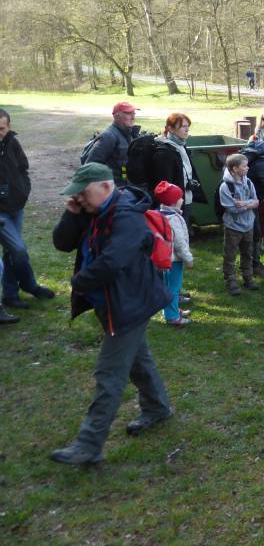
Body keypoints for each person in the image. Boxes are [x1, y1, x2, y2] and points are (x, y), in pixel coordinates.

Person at [50, 163, 173, 465]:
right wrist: (72, 213)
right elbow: (62, 243)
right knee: (138, 361)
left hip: (129, 304)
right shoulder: (93, 210)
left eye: (83, 192)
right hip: (113, 302)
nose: (79, 197)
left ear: (105, 186)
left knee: (109, 373)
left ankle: (89, 444)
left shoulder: (126, 216)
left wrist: (78, 282)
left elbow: (111, 262)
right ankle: (157, 407)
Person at [0, 109, 54, 310]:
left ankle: (10, 295)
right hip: (1, 212)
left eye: (1, 128)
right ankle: (29, 284)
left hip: (16, 208)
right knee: (19, 250)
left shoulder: (12, 142)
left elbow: (23, 168)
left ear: (9, 127)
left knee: (11, 252)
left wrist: (24, 190)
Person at [151, 181, 193, 327]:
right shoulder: (173, 219)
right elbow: (179, 243)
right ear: (174, 202)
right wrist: (188, 258)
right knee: (173, 288)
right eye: (180, 197)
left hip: (164, 259)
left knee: (169, 286)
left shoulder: (160, 214)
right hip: (173, 260)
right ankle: (172, 316)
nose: (182, 199)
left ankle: (173, 310)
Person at [219, 153, 260, 297]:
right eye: (244, 166)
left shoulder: (248, 182)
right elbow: (232, 209)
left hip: (248, 225)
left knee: (247, 253)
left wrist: (243, 204)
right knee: (230, 255)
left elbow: (256, 201)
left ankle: (248, 278)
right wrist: (249, 204)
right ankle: (230, 280)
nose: (247, 168)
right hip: (233, 227)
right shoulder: (225, 187)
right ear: (235, 168)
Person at [150, 113, 200, 223]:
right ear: (171, 129)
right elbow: (164, 183)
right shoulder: (164, 152)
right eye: (183, 126)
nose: (187, 130)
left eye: (188, 126)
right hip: (173, 205)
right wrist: (174, 203)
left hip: (185, 199)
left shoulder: (181, 145)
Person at [85, 101, 142, 187]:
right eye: (128, 114)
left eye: (133, 114)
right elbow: (90, 166)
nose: (133, 117)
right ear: (117, 116)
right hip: (112, 188)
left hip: (125, 187)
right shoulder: (108, 136)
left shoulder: (130, 134)